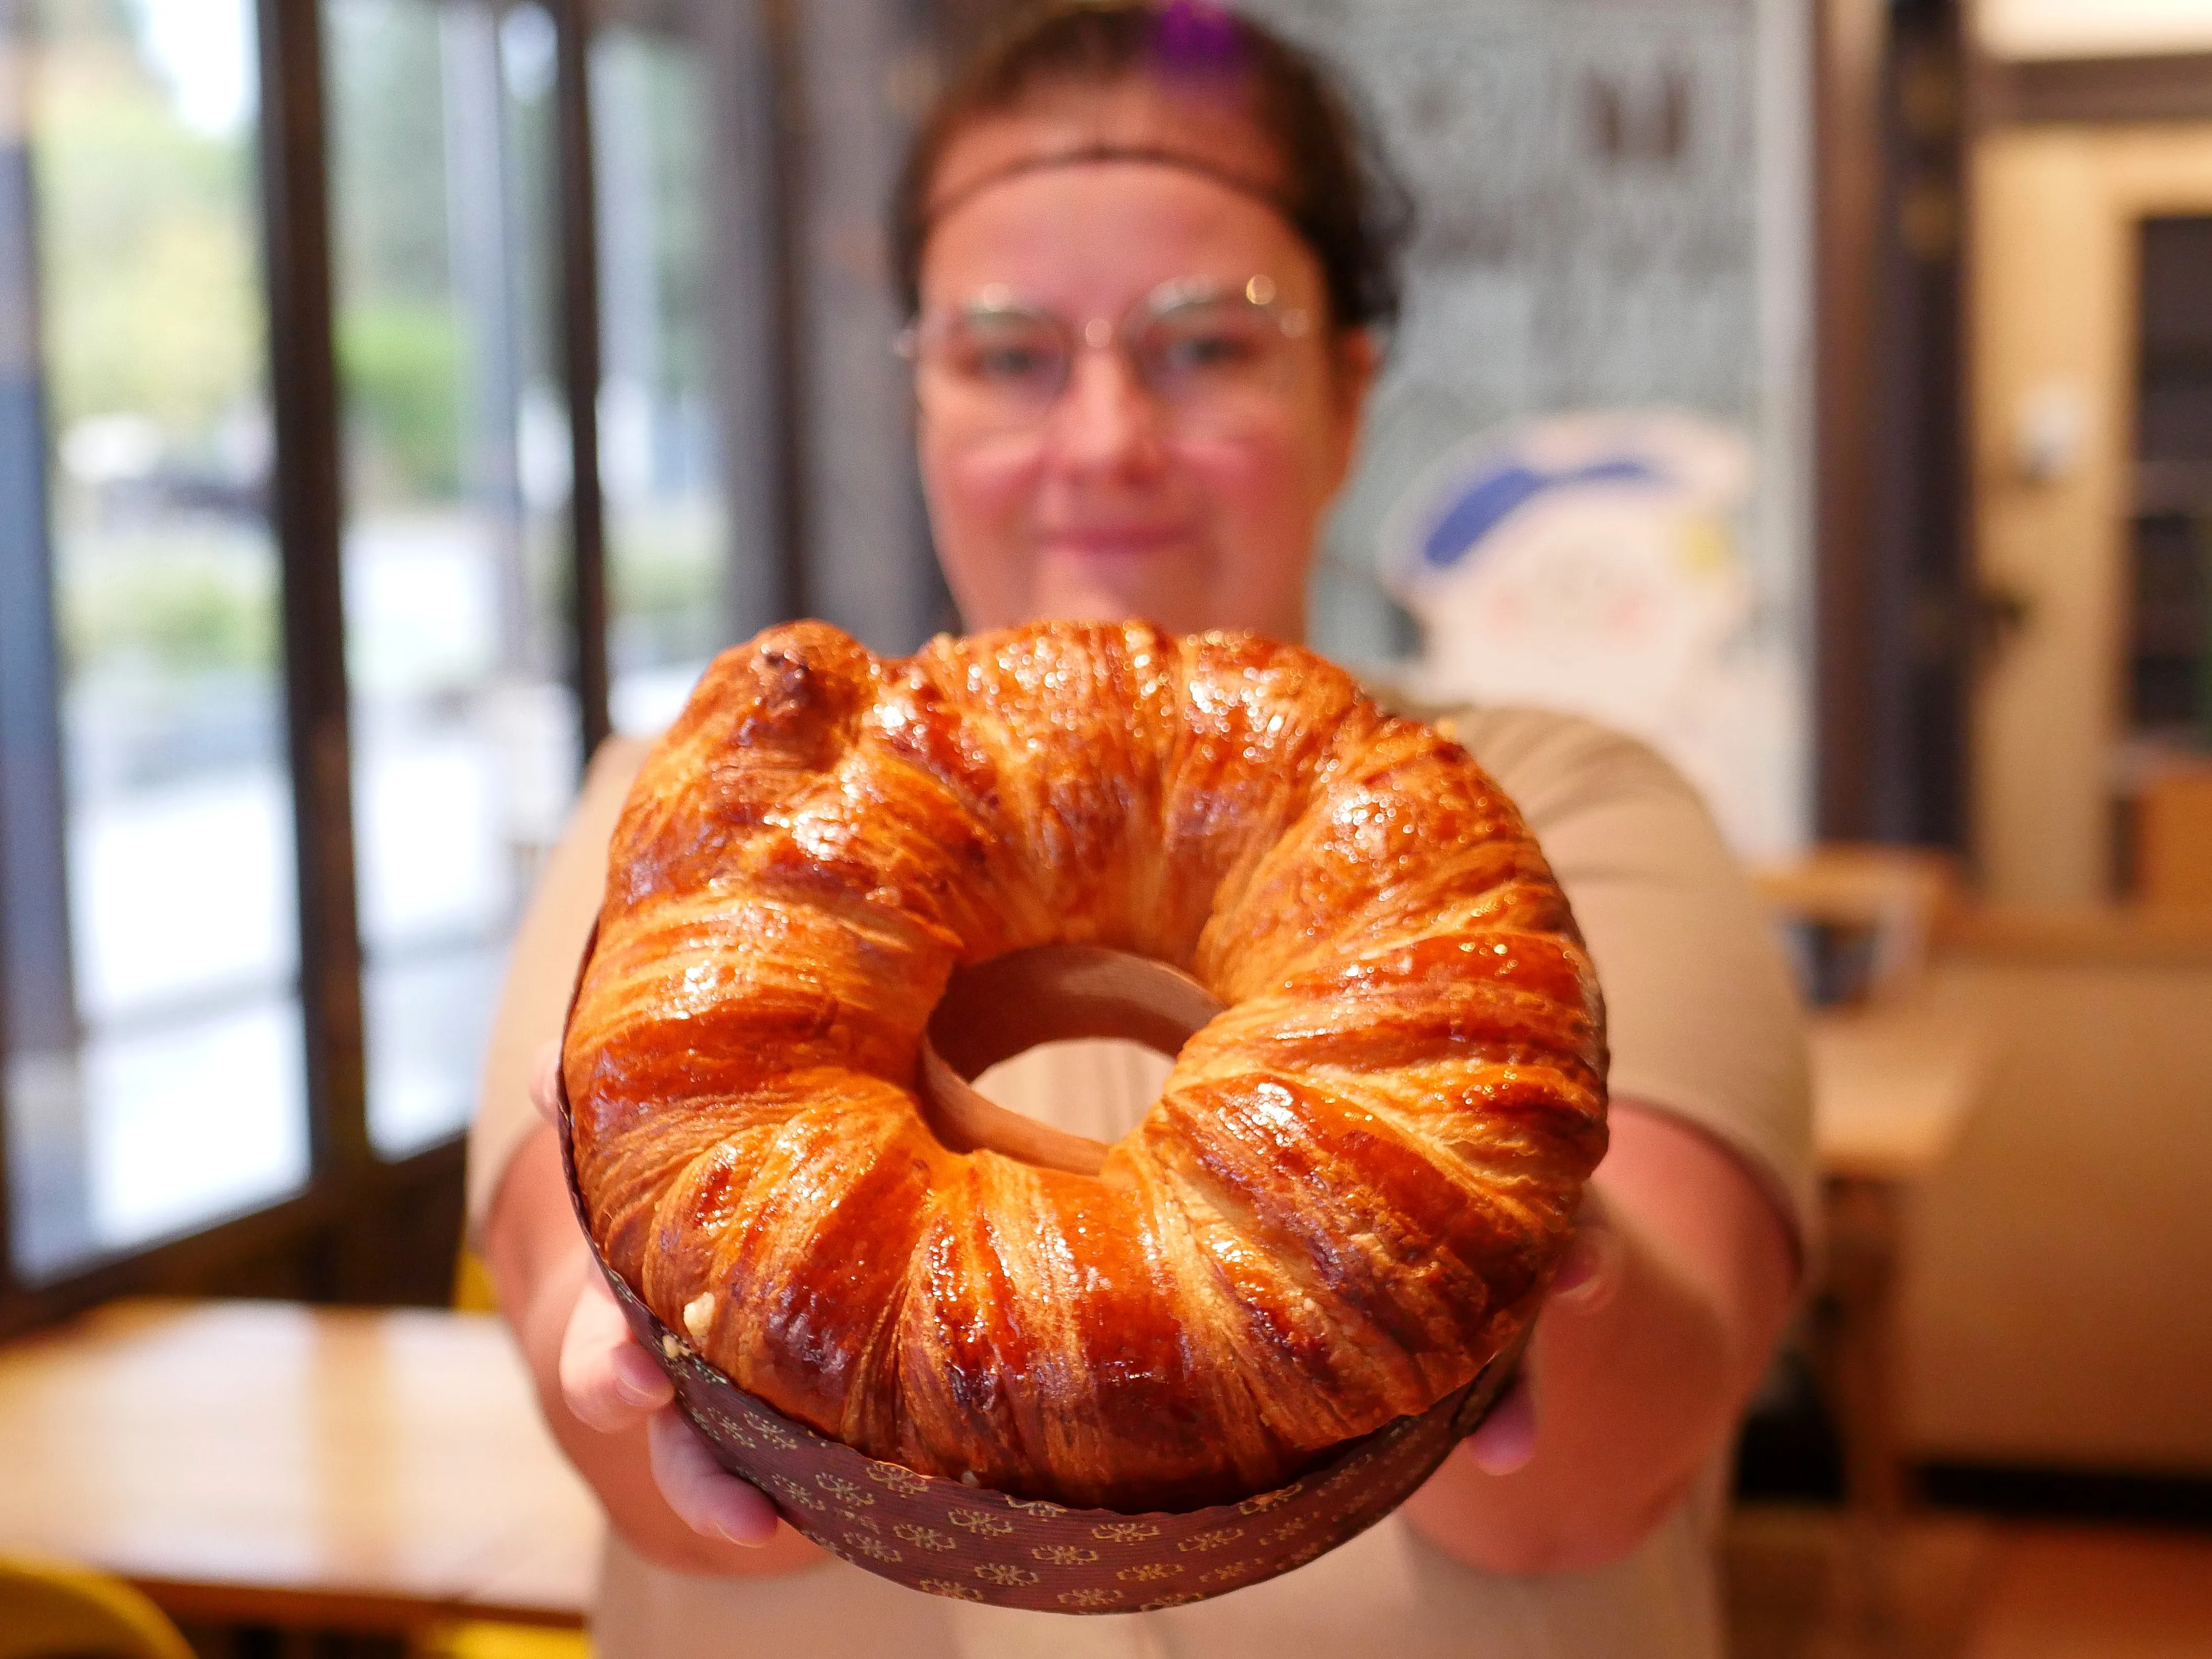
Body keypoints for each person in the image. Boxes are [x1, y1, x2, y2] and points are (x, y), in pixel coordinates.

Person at [469, 5, 1811, 1654]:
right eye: (1009, 354)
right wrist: (644, 1325)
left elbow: (1575, 1496)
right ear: (923, 403)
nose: (1102, 444)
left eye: (1206, 343)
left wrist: (1488, 1253)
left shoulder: (1567, 820)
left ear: (1346, 388)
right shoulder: (707, 831)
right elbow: (637, 1464)